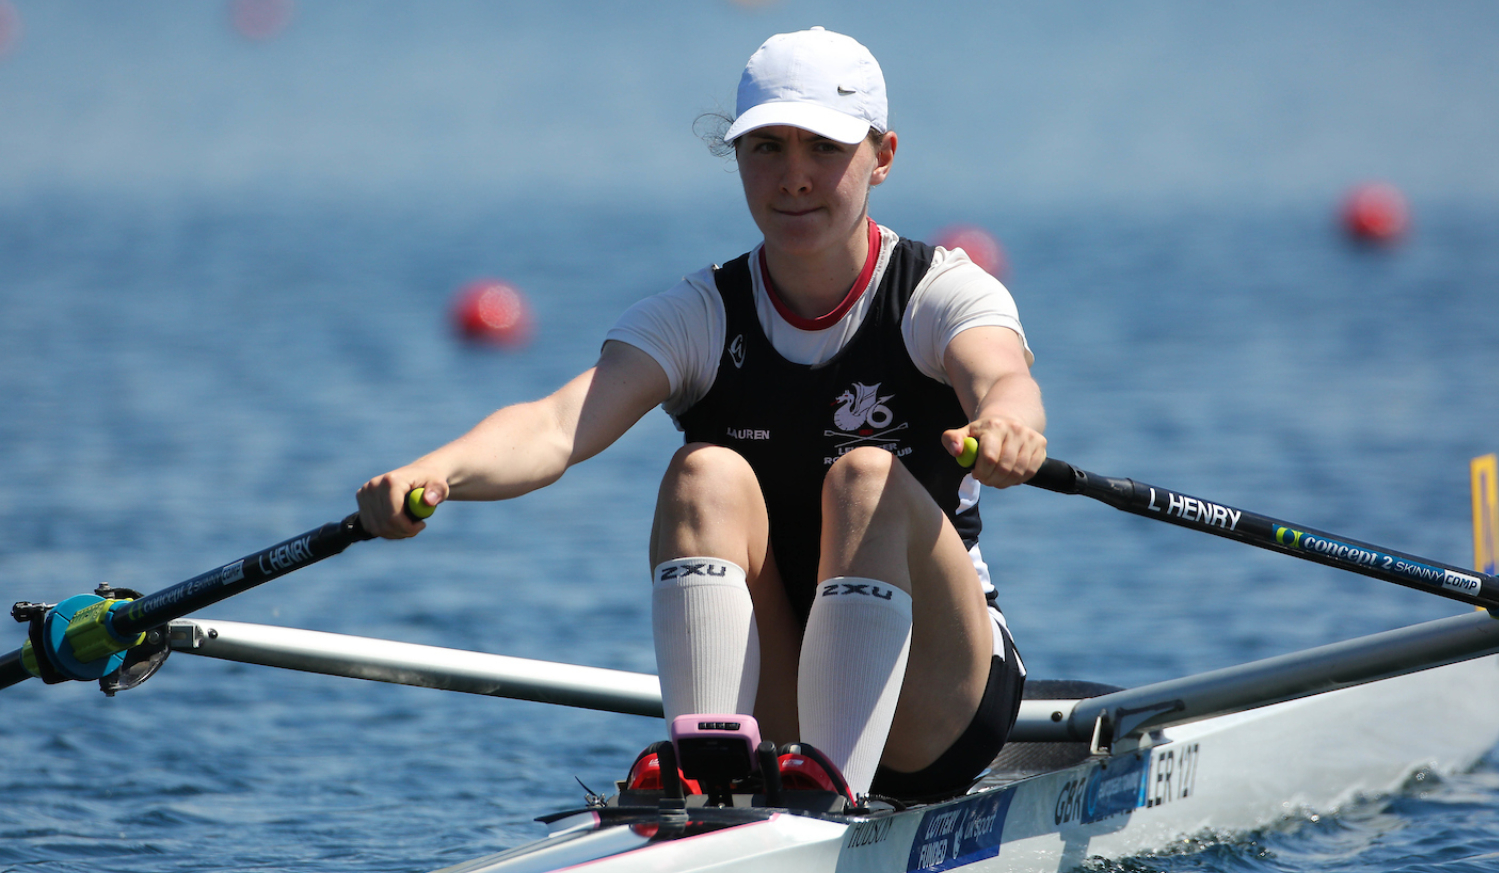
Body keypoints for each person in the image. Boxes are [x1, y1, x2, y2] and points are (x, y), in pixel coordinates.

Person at [357, 26, 1047, 802]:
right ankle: (712, 773)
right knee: (702, 473)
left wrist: (1008, 425)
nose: (793, 178)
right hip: (790, 696)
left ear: (882, 157)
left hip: (940, 699)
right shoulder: (699, 314)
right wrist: (435, 471)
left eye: (823, 148)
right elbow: (556, 426)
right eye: (766, 149)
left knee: (865, 477)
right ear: (738, 159)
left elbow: (1003, 377)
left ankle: (827, 802)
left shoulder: (939, 292)